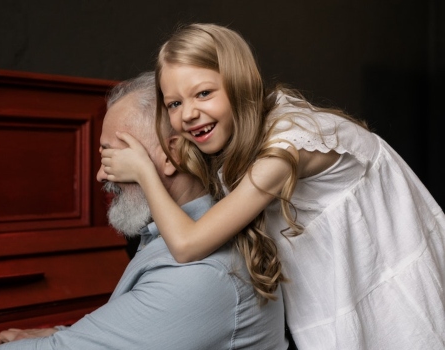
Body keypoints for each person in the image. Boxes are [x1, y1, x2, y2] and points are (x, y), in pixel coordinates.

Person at [101, 23, 445, 349]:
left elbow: (188, 245)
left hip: (385, 264)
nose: (188, 113)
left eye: (203, 93)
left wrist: (145, 172)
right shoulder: (232, 138)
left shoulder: (284, 149)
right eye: (174, 103)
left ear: (239, 84)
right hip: (332, 276)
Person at [0, 72, 288, 349]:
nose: (101, 176)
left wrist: (62, 340)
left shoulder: (201, 274)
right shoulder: (178, 233)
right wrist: (63, 332)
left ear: (172, 153)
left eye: (113, 157)